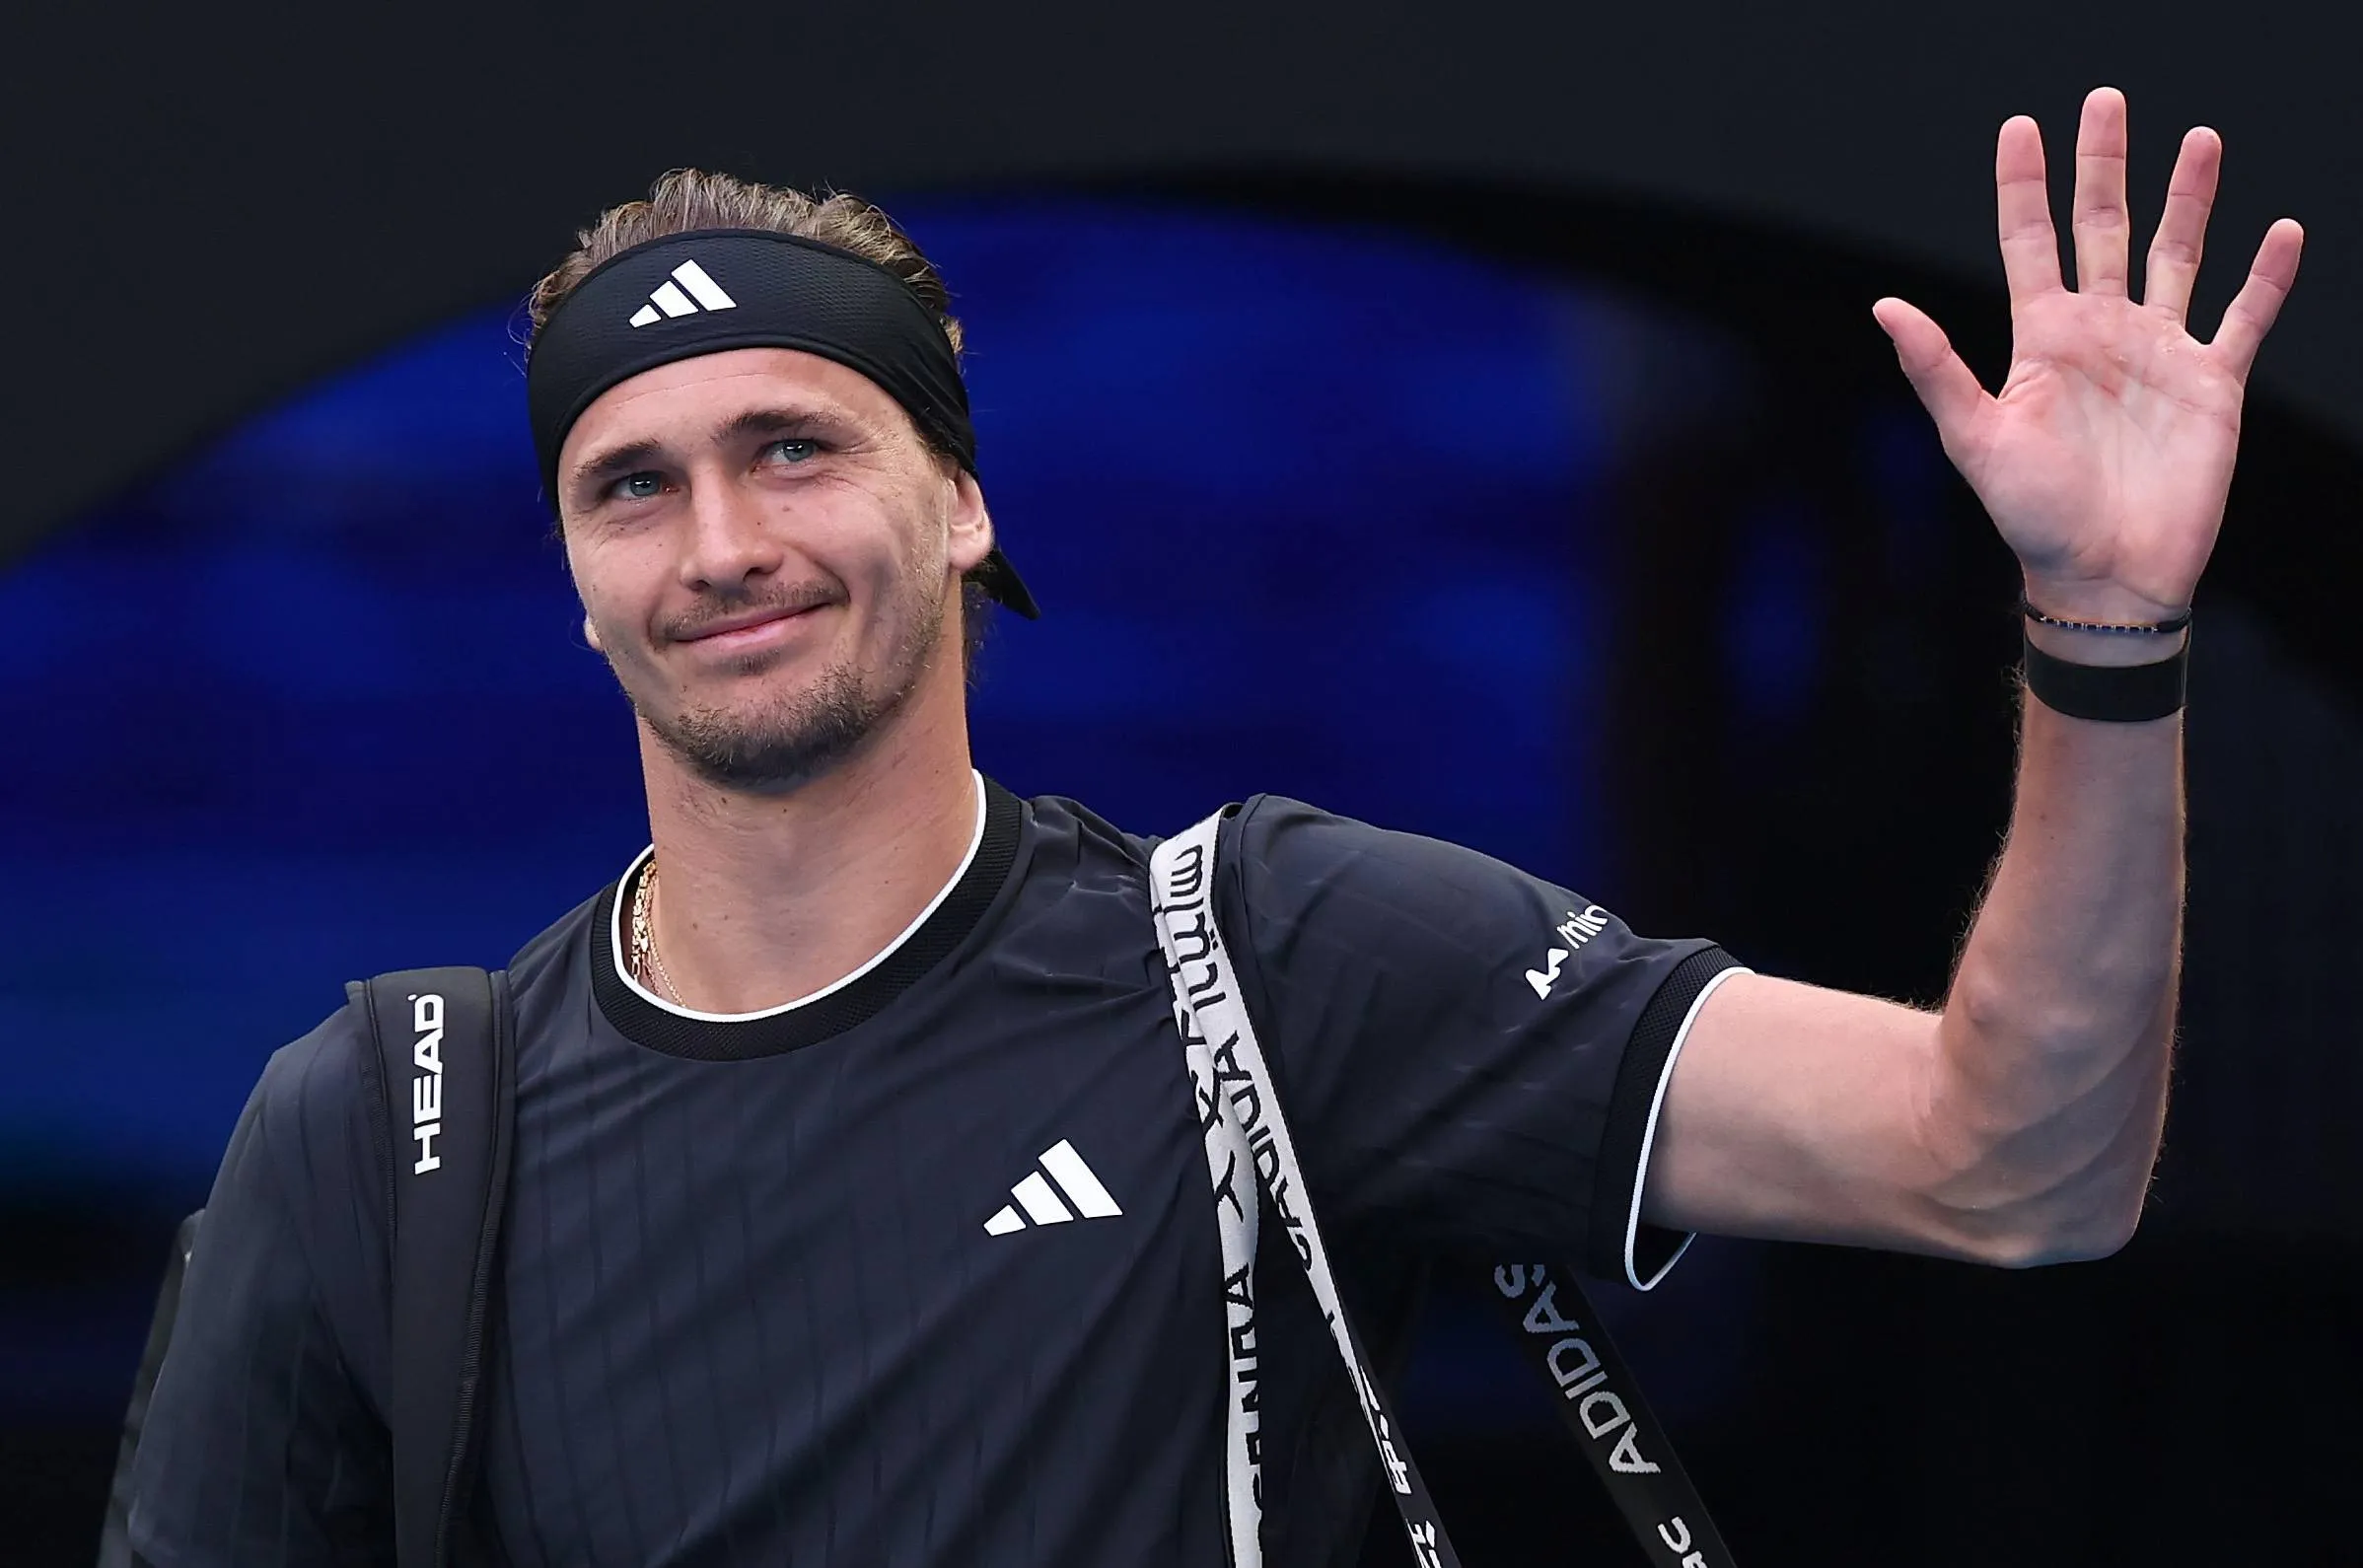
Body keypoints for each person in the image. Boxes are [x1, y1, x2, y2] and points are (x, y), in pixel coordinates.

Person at [126, 86, 2301, 1566]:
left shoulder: (1267, 962)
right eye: (633, 484)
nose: (720, 542)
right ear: (576, 579)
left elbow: (2015, 1164)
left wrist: (2105, 628)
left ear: (960, 504)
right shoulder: (387, 1132)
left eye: (794, 445)